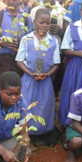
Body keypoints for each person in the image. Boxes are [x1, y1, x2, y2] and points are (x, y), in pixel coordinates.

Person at [16, 8, 60, 136]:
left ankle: (41, 132)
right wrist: (30, 73)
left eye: (47, 23)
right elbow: (19, 60)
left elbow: (56, 63)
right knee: (27, 104)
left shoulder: (53, 41)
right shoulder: (26, 39)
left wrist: (47, 74)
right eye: (42, 22)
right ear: (34, 22)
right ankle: (25, 132)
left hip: (45, 80)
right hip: (29, 79)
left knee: (44, 105)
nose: (45, 26)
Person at [0, 0, 33, 90]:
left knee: (16, 92)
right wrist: (4, 43)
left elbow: (29, 41)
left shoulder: (26, 18)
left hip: (19, 61)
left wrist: (19, 49)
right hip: (1, 61)